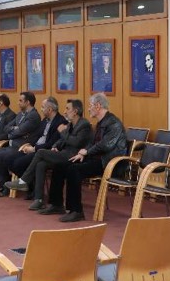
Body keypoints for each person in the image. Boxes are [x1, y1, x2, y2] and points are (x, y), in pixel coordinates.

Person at [38, 93, 126, 222]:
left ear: (98, 106)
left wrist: (87, 152)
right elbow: (93, 142)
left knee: (74, 170)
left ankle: (76, 211)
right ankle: (56, 204)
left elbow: (106, 145)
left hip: (109, 162)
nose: (88, 109)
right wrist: (82, 153)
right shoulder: (101, 122)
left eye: (90, 106)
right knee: (61, 165)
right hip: (97, 158)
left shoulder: (113, 123)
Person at [7, 99, 92, 210]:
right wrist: (55, 146)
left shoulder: (84, 124)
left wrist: (63, 132)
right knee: (41, 164)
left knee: (41, 152)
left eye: (67, 109)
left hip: (74, 156)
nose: (65, 112)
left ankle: (23, 181)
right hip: (64, 153)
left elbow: (76, 142)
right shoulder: (70, 124)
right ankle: (39, 200)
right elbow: (62, 140)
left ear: (75, 111)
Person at [0, 92, 46, 197]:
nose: (18, 103)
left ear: (28, 102)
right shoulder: (20, 114)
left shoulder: (33, 116)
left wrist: (15, 131)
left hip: (21, 147)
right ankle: (4, 182)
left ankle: (7, 185)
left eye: (20, 101)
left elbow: (19, 131)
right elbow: (6, 128)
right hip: (11, 145)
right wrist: (15, 130)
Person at [1, 96, 67, 199]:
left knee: (19, 163)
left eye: (43, 107)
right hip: (34, 147)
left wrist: (34, 149)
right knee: (8, 159)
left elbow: (51, 143)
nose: (41, 109)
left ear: (49, 109)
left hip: (45, 151)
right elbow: (36, 135)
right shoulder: (45, 120)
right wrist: (29, 145)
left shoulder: (60, 122)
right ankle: (29, 185)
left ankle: (29, 186)